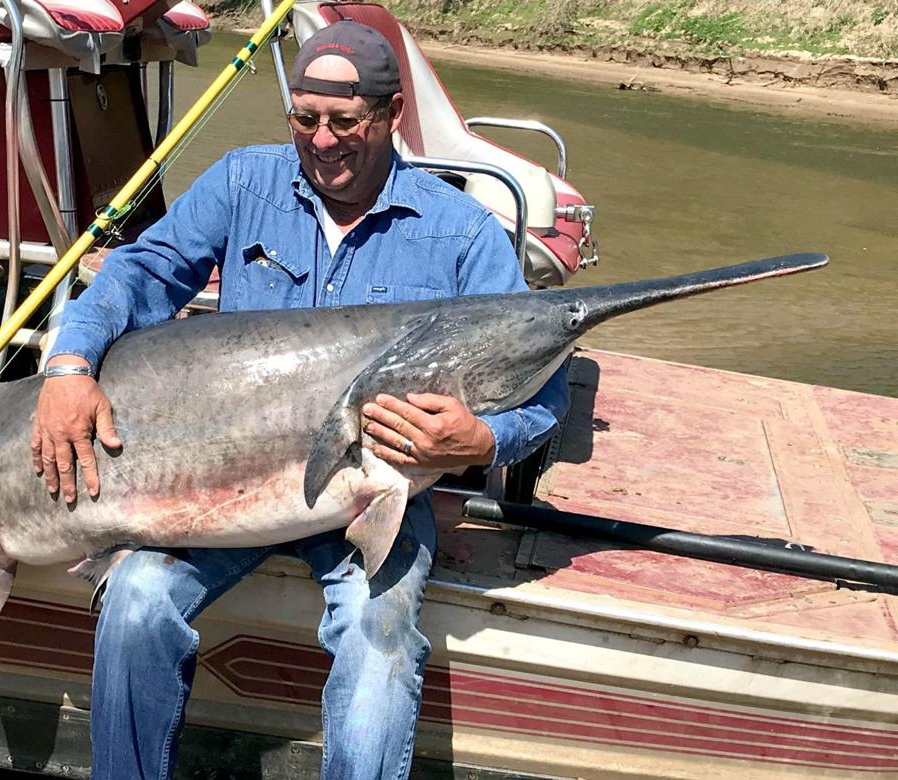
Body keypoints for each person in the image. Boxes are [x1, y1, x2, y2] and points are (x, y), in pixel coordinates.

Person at [31, 21, 569, 780]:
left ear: (390, 115)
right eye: (304, 118)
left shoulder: (461, 233)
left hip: (375, 492)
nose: (321, 140)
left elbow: (543, 391)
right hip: (231, 485)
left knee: (379, 638)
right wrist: (68, 366)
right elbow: (139, 273)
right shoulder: (242, 183)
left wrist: (481, 441)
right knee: (137, 599)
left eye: (344, 122)